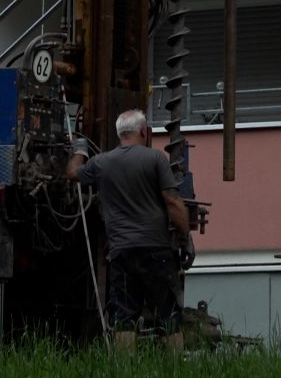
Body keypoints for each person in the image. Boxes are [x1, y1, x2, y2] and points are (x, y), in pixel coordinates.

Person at [65, 109, 191, 352]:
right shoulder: (155, 159)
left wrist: (79, 150)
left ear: (119, 133)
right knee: (168, 315)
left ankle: (125, 372)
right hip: (155, 250)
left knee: (124, 318)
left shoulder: (101, 162)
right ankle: (177, 372)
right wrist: (185, 238)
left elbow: (72, 174)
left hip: (121, 252)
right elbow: (173, 202)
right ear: (144, 132)